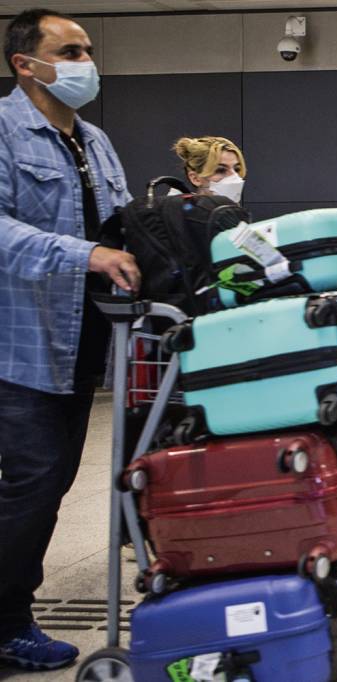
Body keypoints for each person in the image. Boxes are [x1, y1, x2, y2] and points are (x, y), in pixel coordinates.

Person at [0, 8, 139, 671]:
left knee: (50, 483)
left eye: (87, 49)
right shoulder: (2, 131)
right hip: (19, 345)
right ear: (25, 63)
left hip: (82, 345)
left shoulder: (96, 140)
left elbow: (123, 224)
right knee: (30, 484)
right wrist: (83, 255)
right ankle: (6, 620)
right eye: (71, 50)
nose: (86, 61)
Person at [173, 135, 247, 202]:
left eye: (237, 169)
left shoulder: (238, 215)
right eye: (221, 170)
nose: (234, 177)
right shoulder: (176, 214)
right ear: (195, 178)